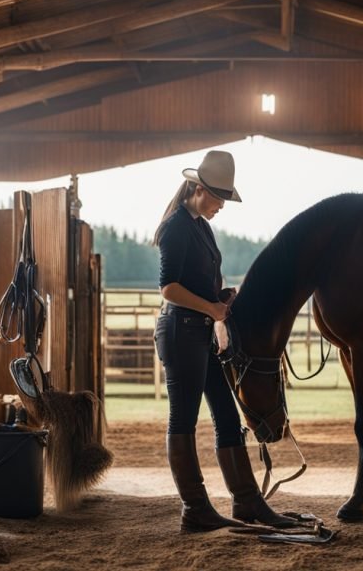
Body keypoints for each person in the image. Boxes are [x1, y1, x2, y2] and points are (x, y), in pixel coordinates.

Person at [153, 150, 294, 533]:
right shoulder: (176, 227)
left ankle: (247, 501)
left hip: (200, 331)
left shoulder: (199, 225)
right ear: (198, 189)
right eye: (218, 198)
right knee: (183, 419)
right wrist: (212, 310)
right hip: (181, 331)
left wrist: (223, 299)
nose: (221, 207)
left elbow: (201, 283)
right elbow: (169, 288)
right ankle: (194, 508)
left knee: (227, 418)